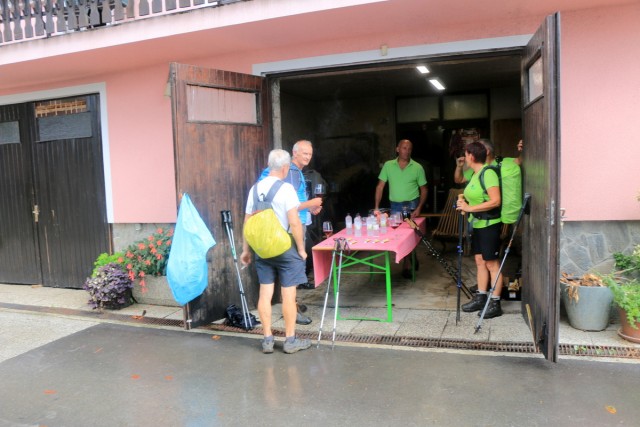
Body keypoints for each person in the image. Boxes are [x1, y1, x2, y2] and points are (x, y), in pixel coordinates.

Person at [241, 149, 311, 354]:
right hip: (285, 248)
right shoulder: (286, 189)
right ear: (285, 168)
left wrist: (246, 250)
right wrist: (301, 249)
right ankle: (290, 341)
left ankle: (267, 339)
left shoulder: (254, 189)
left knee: (266, 292)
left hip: (262, 249)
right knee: (288, 295)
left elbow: (247, 223)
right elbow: (295, 223)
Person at [259, 140, 323, 324]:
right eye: (304, 154)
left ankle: (292, 303)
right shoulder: (293, 173)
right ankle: (292, 310)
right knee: (293, 270)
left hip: (278, 226)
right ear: (294, 154)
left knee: (280, 274)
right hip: (290, 226)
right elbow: (291, 208)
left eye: (310, 154)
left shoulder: (294, 173)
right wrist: (311, 204)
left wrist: (309, 208)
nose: (308, 157)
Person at [455, 140, 504, 318]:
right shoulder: (475, 174)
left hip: (490, 224)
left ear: (472, 156)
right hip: (478, 224)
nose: (465, 157)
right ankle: (481, 297)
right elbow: (473, 195)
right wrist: (464, 202)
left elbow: (495, 201)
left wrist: (469, 209)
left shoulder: (488, 173)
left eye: (466, 154)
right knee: (479, 261)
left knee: (491, 263)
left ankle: (495, 302)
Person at [373, 139, 428, 278]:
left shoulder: (417, 167)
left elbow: (424, 189)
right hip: (395, 206)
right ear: (398, 149)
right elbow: (380, 186)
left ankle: (407, 263)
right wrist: (377, 207)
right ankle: (409, 260)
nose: (406, 151)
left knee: (410, 235)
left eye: (409, 148)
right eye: (404, 148)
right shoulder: (388, 165)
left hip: (412, 205)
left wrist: (419, 207)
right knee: (400, 236)